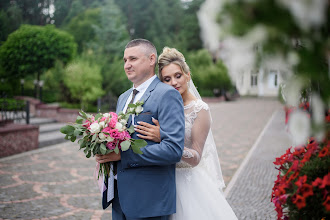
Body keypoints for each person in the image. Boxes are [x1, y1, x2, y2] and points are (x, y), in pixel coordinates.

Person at [134, 47, 238, 220]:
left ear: (188, 75)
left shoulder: (199, 110)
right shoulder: (160, 106)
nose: (174, 82)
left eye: (178, 75)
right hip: (161, 180)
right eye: (167, 79)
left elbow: (196, 157)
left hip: (187, 184)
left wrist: (165, 139)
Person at [95, 40, 185, 220]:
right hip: (120, 200)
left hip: (150, 201)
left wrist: (123, 155)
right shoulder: (123, 97)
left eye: (133, 59)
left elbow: (174, 150)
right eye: (125, 60)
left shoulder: (167, 94)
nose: (127, 65)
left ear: (152, 59)